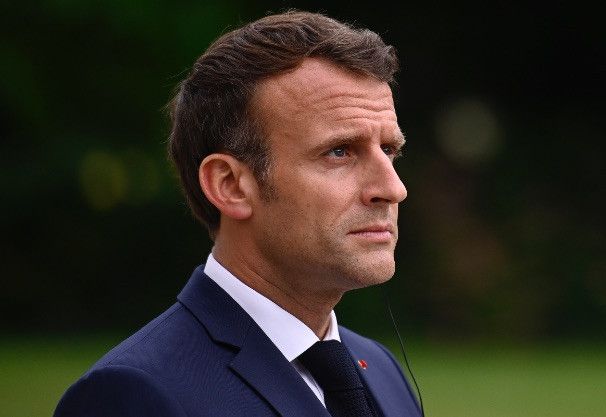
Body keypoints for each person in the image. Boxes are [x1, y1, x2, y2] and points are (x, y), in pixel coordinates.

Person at [55, 11, 421, 417]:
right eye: (339, 152)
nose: (393, 188)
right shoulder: (134, 394)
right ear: (229, 185)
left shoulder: (382, 371)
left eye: (389, 150)